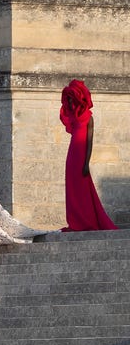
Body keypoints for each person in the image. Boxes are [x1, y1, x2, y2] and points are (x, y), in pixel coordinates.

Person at [60, 79, 117, 231]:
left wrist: (86, 163)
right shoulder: (73, 117)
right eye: (69, 100)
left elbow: (90, 141)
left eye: (72, 99)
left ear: (79, 99)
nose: (70, 103)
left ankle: (86, 221)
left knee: (83, 190)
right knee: (72, 190)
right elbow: (65, 113)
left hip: (81, 157)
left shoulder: (88, 118)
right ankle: (75, 221)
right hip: (72, 155)